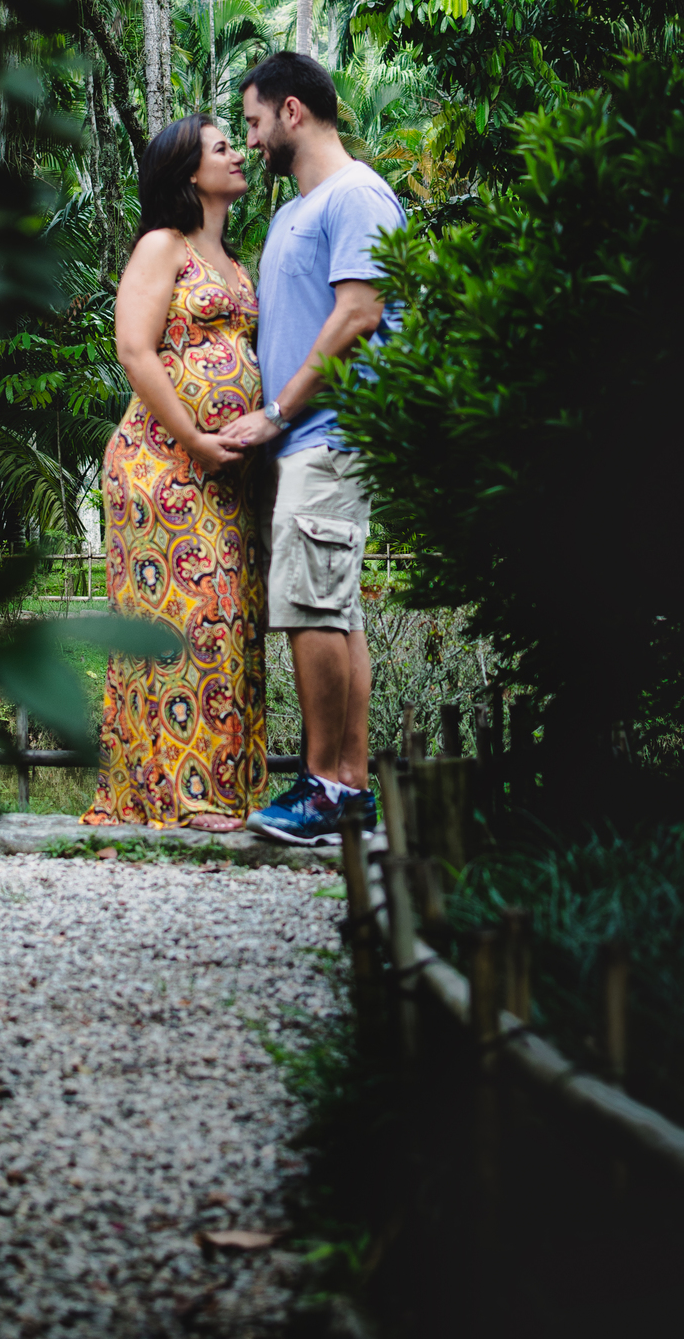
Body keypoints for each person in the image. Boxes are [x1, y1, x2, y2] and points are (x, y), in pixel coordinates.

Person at [222, 53, 406, 846]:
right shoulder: (290, 213)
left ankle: (326, 787)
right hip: (303, 441)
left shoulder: (356, 194)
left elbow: (359, 313)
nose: (250, 140)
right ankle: (348, 790)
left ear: (292, 111)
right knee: (332, 608)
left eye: (254, 122)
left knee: (310, 607)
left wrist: (277, 412)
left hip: (330, 433)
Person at [82, 114, 268, 830]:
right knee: (189, 622)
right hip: (161, 466)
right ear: (190, 171)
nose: (238, 153)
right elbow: (135, 349)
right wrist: (195, 438)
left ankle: (221, 789)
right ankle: (186, 797)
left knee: (231, 617)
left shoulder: (234, 261)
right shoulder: (163, 245)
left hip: (227, 476)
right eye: (222, 147)